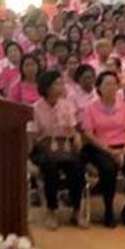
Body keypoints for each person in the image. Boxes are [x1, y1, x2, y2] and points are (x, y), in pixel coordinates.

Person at [79, 70, 125, 228]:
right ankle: (108, 210)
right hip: (100, 148)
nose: (111, 87)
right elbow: (89, 134)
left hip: (124, 147)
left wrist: (124, 151)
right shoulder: (90, 108)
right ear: (99, 87)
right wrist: (109, 151)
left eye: (114, 84)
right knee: (108, 169)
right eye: (107, 84)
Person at [29, 70, 85, 230]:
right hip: (43, 147)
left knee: (77, 167)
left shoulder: (67, 105)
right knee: (50, 168)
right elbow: (33, 136)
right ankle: (51, 210)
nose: (61, 86)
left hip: (64, 146)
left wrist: (76, 136)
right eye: (57, 84)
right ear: (47, 87)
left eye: (61, 83)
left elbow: (72, 129)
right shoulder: (36, 108)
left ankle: (76, 211)